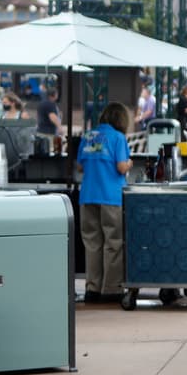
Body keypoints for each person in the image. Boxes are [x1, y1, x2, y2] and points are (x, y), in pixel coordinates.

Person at [76, 102, 133, 304]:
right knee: (113, 243)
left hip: (88, 195)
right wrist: (129, 164)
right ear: (121, 119)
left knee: (92, 244)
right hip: (111, 197)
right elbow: (120, 167)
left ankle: (92, 288)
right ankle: (111, 289)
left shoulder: (88, 136)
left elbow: (80, 166)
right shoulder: (118, 138)